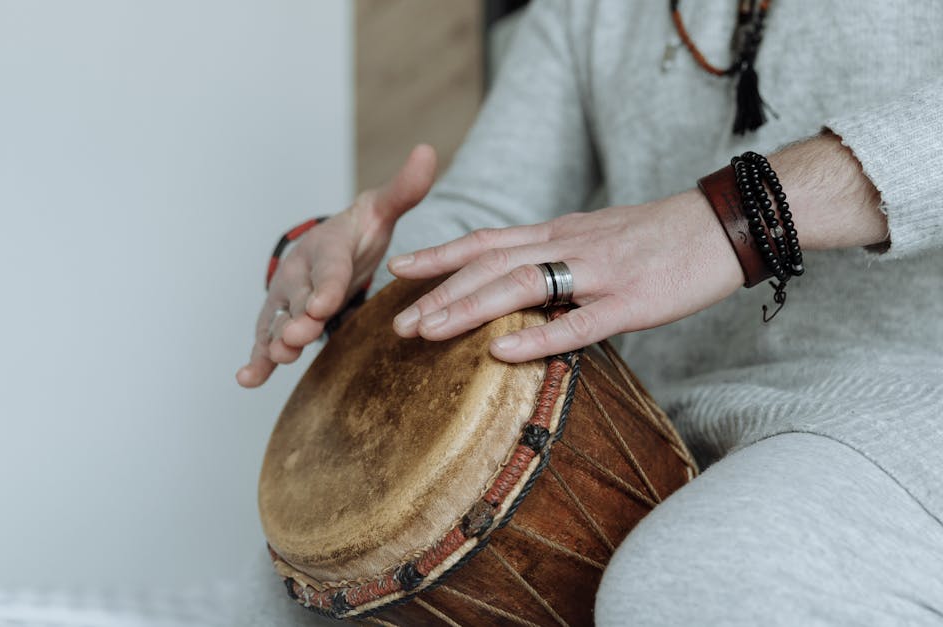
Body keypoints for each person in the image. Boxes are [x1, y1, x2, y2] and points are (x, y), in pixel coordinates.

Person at [238, 1, 943, 624]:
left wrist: (736, 217)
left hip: (903, 404)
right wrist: (370, 268)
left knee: (692, 584)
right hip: (646, 416)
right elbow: (495, 212)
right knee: (281, 604)